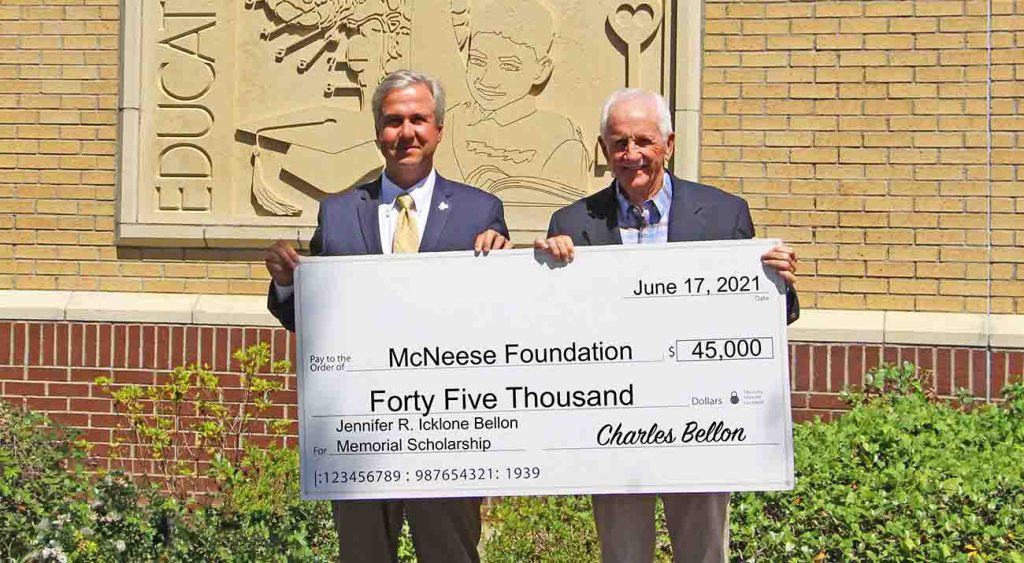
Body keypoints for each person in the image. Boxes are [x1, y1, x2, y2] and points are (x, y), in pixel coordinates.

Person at [534, 88, 800, 563]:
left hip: (700, 421)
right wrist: (546, 271)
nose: (631, 154)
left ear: (669, 144)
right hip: (613, 423)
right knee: (623, 554)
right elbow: (553, 328)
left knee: (702, 553)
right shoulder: (572, 223)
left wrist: (776, 281)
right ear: (603, 150)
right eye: (619, 143)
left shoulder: (723, 213)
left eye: (643, 140)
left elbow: (763, 316)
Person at [264, 69, 510, 563]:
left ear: (439, 129)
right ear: (378, 132)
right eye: (394, 121)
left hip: (446, 428)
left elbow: (498, 315)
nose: (406, 133)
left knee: (449, 554)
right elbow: (311, 320)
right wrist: (289, 282)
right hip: (361, 427)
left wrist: (502, 266)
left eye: (418, 120)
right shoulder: (337, 212)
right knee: (363, 554)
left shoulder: (478, 211)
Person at [437, 0, 589, 194]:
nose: (487, 80)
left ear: (541, 70)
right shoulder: (450, 122)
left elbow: (568, 213)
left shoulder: (560, 136)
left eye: (509, 66)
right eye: (477, 60)